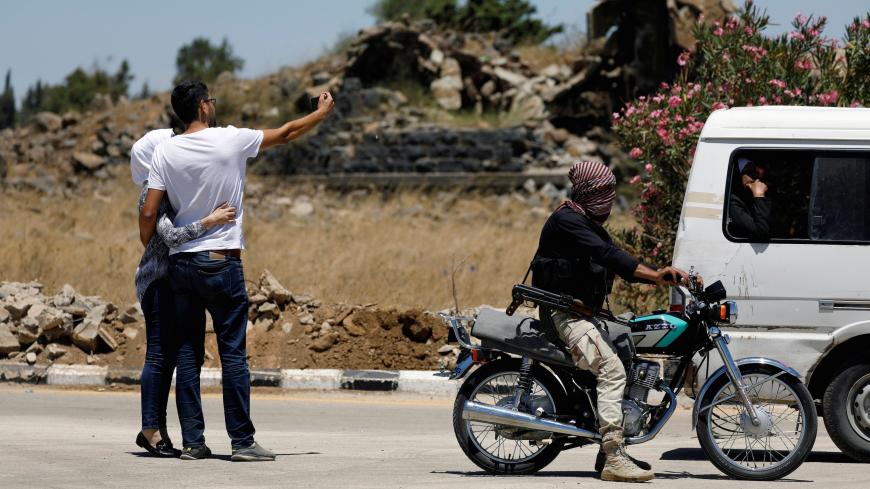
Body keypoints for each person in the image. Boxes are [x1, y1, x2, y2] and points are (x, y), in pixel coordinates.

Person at [139, 80, 334, 461]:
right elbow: (288, 132)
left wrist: (151, 245)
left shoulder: (164, 151)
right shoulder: (231, 140)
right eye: (211, 100)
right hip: (221, 262)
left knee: (187, 355)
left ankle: (194, 443)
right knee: (232, 354)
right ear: (203, 107)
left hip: (180, 265)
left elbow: (149, 211)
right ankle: (242, 441)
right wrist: (321, 114)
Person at [531, 161, 688, 482]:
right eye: (604, 191)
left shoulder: (583, 220)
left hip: (580, 312)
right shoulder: (568, 221)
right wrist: (657, 276)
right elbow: (608, 255)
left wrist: (659, 276)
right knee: (612, 370)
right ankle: (614, 456)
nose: (610, 197)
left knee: (627, 349)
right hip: (563, 314)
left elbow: (616, 259)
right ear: (590, 192)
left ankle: (608, 452)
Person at [131, 129, 236, 457]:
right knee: (159, 354)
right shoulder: (153, 191)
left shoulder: (171, 188)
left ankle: (156, 429)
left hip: (173, 279)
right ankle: (150, 429)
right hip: (157, 280)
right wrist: (211, 220)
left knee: (171, 355)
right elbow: (171, 237)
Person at [727, 157, 771, 240]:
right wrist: (759, 195)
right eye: (748, 172)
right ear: (737, 176)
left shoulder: (748, 198)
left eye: (754, 172)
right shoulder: (733, 202)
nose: (754, 176)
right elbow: (762, 233)